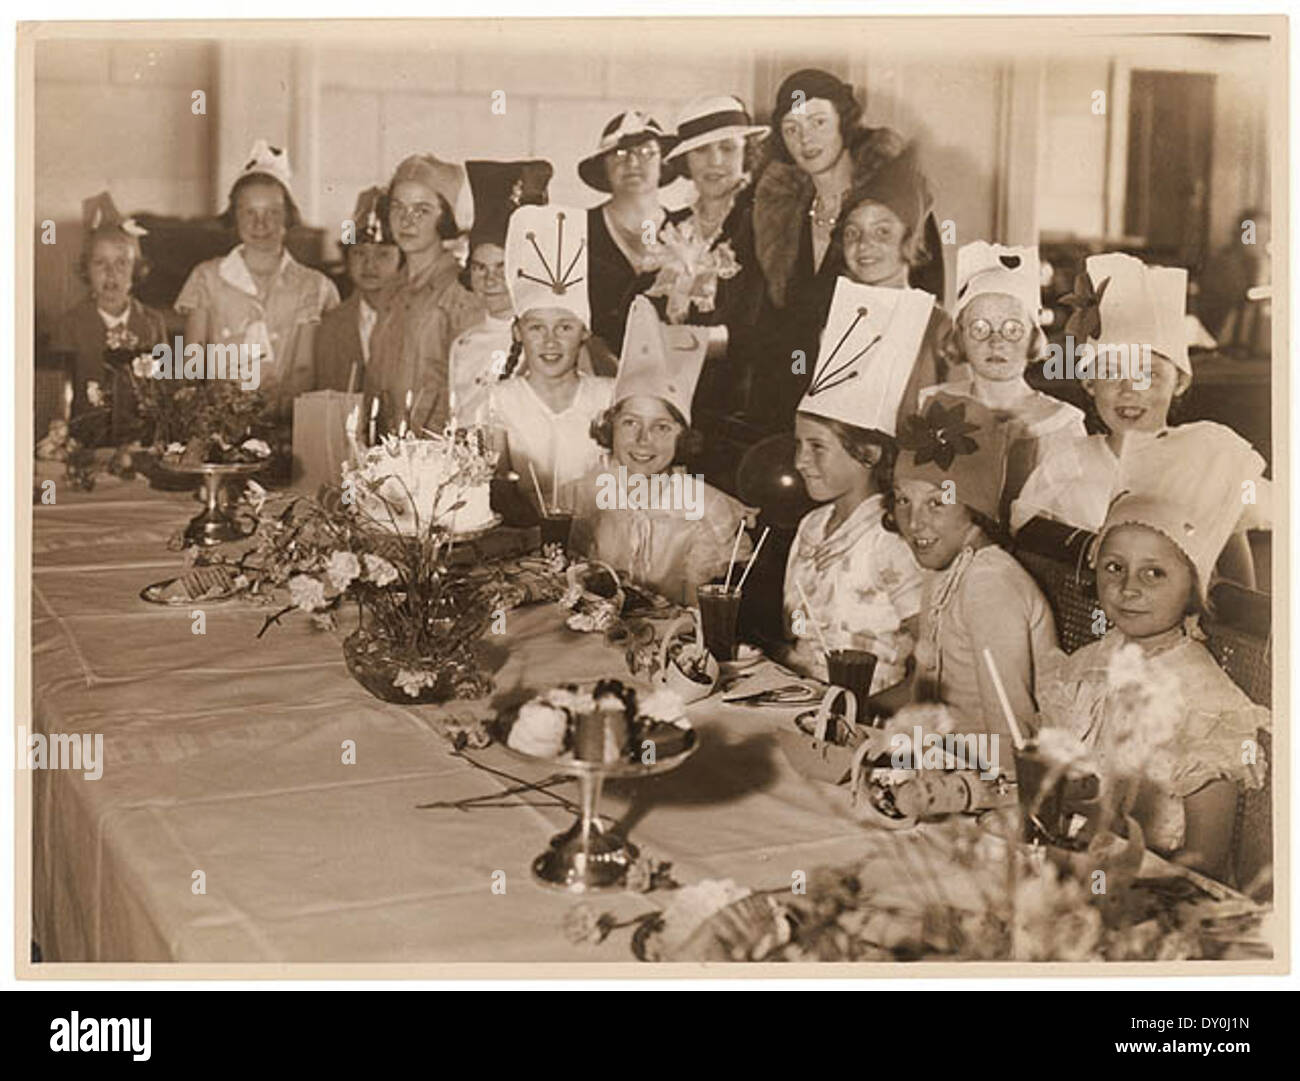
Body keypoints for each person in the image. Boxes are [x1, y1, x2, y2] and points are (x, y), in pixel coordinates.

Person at [1036, 437, 1269, 881]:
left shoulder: (1206, 703)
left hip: (1156, 899)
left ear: (1193, 587)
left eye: (1154, 573)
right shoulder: (1087, 663)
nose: (1129, 588)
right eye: (1114, 567)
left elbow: (1204, 864)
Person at [1011, 252, 1268, 588]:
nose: (1128, 390)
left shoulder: (1205, 459)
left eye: (1147, 374)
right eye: (1111, 372)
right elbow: (1029, 547)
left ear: (1180, 382)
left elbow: (1240, 588)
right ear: (1089, 383)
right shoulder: (1068, 462)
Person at [749, 68, 943, 429]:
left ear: (845, 122)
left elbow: (927, 299)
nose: (805, 138)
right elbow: (773, 323)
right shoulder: (779, 212)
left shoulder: (893, 198)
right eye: (792, 128)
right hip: (791, 401)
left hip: (874, 403)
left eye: (818, 122)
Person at [874, 397, 1060, 755]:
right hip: (943, 757)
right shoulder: (946, 567)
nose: (914, 523)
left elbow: (1012, 736)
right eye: (902, 501)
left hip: (989, 778)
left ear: (974, 507)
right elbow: (925, 698)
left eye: (936, 503)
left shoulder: (989, 583)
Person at [778, 277, 929, 692]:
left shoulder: (893, 541)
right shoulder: (810, 526)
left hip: (867, 718)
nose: (799, 462)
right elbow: (797, 631)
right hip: (800, 702)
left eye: (817, 447)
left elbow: (930, 658)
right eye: (798, 445)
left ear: (869, 453)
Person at [568, 297, 754, 606]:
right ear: (610, 428)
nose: (643, 439)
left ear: (684, 438)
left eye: (662, 427)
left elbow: (700, 615)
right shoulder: (591, 490)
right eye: (630, 423)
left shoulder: (708, 510)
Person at [175, 140, 340, 419]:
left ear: (288, 217)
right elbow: (193, 360)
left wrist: (277, 412)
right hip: (218, 423)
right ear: (234, 216)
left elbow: (304, 368)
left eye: (272, 213)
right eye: (249, 212)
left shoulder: (313, 286)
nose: (260, 224)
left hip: (288, 422)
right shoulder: (207, 277)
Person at [921, 241, 1086, 513]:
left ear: (1034, 337)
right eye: (979, 328)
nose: (996, 342)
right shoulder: (932, 404)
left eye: (1012, 329)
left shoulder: (1061, 424)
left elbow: (1069, 526)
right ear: (959, 337)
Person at [487, 203, 613, 515]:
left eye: (565, 328)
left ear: (584, 332)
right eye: (537, 328)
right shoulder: (501, 399)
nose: (550, 341)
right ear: (518, 332)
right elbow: (496, 487)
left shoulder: (609, 394)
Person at [652, 95, 769, 418]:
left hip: (744, 401)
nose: (714, 161)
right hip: (677, 398)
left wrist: (695, 341)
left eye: (728, 148)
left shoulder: (762, 220)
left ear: (747, 153)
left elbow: (769, 323)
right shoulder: (674, 224)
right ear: (685, 161)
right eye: (701, 151)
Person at [836, 144, 952, 426]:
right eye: (853, 232)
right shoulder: (838, 317)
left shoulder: (938, 325)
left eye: (883, 231)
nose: (864, 244)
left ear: (910, 239)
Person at [365, 153, 474, 436]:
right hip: (387, 446)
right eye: (398, 207)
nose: (406, 220)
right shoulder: (391, 289)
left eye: (422, 210)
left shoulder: (461, 290)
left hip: (435, 450)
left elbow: (467, 389)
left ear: (445, 218)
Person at [51, 192, 167, 442]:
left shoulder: (152, 324)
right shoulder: (70, 324)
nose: (111, 273)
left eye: (122, 263)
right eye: (100, 263)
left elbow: (162, 388)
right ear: (86, 270)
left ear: (136, 271)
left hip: (139, 443)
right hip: (84, 442)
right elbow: (58, 394)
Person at [446, 159, 552, 426]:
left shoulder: (549, 339)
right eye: (480, 268)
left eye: (502, 268)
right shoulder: (462, 344)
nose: (490, 279)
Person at [579, 110, 683, 353]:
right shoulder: (579, 229)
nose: (633, 163)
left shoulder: (686, 229)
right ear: (603, 165)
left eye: (647, 152)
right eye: (620, 153)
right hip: (595, 377)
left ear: (663, 162)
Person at [314, 186, 403, 393]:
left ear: (402, 260)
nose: (369, 265)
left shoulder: (416, 319)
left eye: (383, 254)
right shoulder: (331, 325)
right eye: (359, 253)